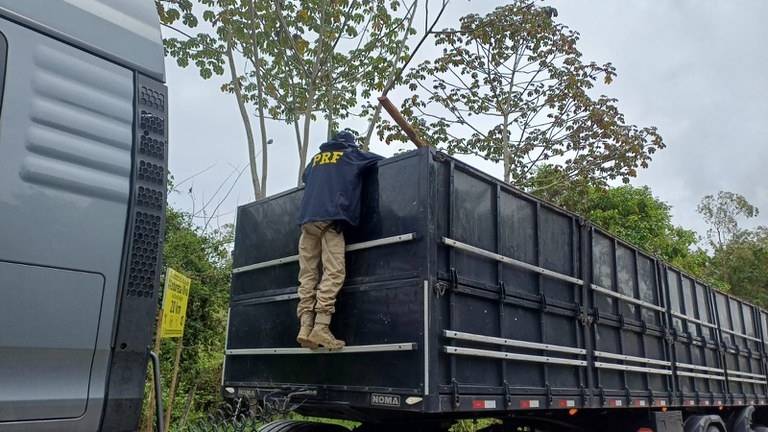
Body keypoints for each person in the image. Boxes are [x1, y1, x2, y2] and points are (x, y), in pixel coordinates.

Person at [296, 130, 383, 349]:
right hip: (329, 222)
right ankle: (321, 327)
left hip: (306, 222)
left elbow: (306, 177)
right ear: (350, 145)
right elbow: (381, 161)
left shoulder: (316, 160)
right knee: (334, 272)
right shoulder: (350, 155)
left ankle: (305, 326)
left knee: (307, 276)